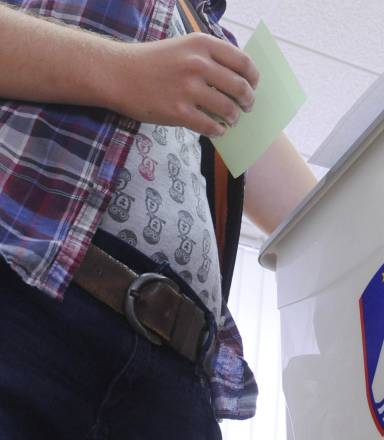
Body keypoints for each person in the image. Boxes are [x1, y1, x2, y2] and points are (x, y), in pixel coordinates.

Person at [0, 0, 316, 438]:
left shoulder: (207, 37)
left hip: (177, 378)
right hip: (25, 298)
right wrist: (124, 70)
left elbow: (315, 214)